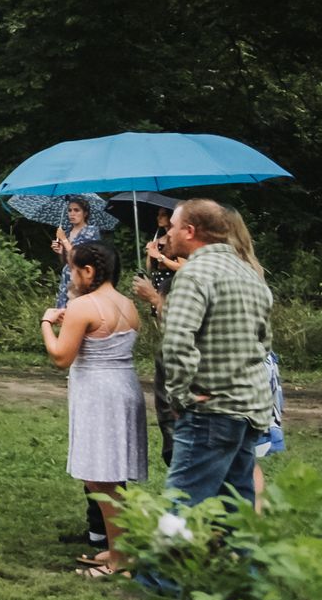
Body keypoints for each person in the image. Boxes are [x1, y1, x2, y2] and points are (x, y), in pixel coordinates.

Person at [154, 198, 274, 507]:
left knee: (183, 503)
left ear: (190, 231)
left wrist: (180, 397)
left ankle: (169, 555)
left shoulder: (194, 275)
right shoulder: (250, 273)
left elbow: (178, 342)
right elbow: (264, 344)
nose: (168, 235)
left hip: (210, 409)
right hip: (249, 408)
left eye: (174, 228)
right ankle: (242, 556)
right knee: (237, 507)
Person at [40, 240, 146, 574]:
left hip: (99, 392)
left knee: (102, 479)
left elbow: (61, 357)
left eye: (73, 269)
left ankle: (120, 559)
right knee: (106, 475)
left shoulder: (85, 306)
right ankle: (120, 548)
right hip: (124, 387)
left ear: (89, 271)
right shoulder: (129, 304)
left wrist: (46, 324)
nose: (70, 275)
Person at [132, 206, 187, 470]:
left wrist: (162, 258)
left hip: (170, 291)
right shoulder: (160, 236)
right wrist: (150, 255)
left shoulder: (184, 252)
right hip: (161, 289)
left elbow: (182, 267)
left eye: (163, 215)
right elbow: (151, 267)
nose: (158, 218)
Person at [51, 197, 103, 309]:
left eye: (76, 210)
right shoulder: (69, 232)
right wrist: (60, 252)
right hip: (67, 279)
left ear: (85, 213)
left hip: (82, 279)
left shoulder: (91, 231)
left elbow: (80, 257)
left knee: (80, 312)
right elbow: (68, 262)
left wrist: (64, 239)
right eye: (69, 210)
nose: (72, 214)